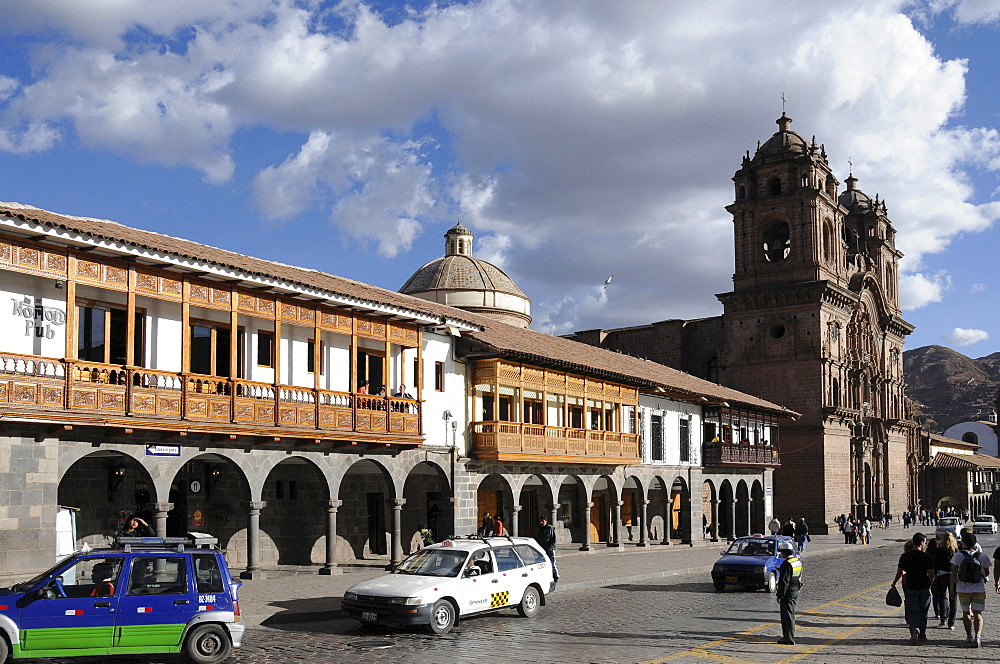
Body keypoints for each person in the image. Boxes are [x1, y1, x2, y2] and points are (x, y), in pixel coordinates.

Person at [951, 530, 991, 648]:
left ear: (964, 543)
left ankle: (969, 636)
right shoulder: (982, 556)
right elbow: (986, 572)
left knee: (966, 613)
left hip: (963, 589)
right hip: (979, 588)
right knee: (977, 614)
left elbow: (953, 573)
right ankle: (977, 636)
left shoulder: (958, 556)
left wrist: (952, 589)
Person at [892, 532, 934, 644]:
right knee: (923, 612)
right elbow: (931, 574)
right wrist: (930, 584)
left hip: (910, 587)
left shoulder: (905, 556)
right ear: (921, 543)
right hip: (923, 587)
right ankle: (922, 635)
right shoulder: (926, 557)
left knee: (911, 611)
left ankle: (913, 631)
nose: (925, 544)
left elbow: (899, 572)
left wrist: (894, 582)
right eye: (925, 542)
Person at [775, 540, 803, 645]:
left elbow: (784, 582)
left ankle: (788, 638)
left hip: (788, 592)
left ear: (784, 552)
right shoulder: (796, 561)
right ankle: (788, 636)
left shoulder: (786, 564)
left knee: (787, 616)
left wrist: (780, 595)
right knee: (790, 614)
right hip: (795, 590)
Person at [933, 532, 958, 629]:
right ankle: (951, 623)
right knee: (953, 599)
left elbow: (935, 563)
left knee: (942, 598)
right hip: (953, 575)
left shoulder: (939, 550)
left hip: (942, 574)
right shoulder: (955, 550)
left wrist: (935, 574)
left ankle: (943, 619)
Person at [535, 516, 559, 582]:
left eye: (543, 521)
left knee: (552, 563)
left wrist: (551, 547)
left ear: (546, 521)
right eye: (540, 521)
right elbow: (537, 538)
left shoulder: (550, 528)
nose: (541, 522)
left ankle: (555, 576)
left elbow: (554, 539)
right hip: (541, 549)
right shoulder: (539, 528)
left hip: (549, 549)